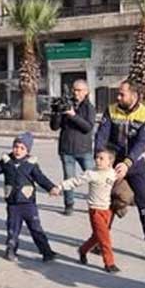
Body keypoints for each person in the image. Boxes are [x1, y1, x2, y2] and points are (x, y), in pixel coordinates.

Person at [95, 80, 145, 260]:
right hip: (113, 164)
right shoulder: (111, 110)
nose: (118, 97)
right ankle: (99, 242)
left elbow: (141, 143)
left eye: (122, 94)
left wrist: (127, 163)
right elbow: (101, 137)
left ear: (134, 95)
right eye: (118, 93)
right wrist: (101, 159)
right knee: (108, 203)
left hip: (135, 165)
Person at [0, 132, 60, 262]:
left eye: (22, 148)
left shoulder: (31, 164)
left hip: (28, 204)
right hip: (13, 204)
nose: (18, 150)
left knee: (36, 228)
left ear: (27, 150)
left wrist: (51, 187)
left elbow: (41, 178)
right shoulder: (6, 162)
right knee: (13, 229)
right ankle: (10, 251)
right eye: (16, 146)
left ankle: (46, 252)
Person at [55, 148, 120, 273]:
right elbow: (75, 181)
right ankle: (109, 263)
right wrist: (60, 187)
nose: (97, 160)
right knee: (105, 238)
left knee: (97, 237)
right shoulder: (91, 173)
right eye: (97, 158)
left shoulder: (113, 173)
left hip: (107, 210)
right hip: (95, 211)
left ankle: (83, 250)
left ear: (110, 162)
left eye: (101, 158)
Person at [49, 79, 95, 216]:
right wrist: (57, 112)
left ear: (86, 92)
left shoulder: (89, 107)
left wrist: (73, 115)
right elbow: (54, 127)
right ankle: (69, 205)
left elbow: (88, 127)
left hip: (84, 150)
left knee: (93, 178)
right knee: (68, 179)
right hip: (67, 150)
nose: (76, 93)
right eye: (74, 90)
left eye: (79, 90)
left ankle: (95, 204)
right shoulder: (66, 104)